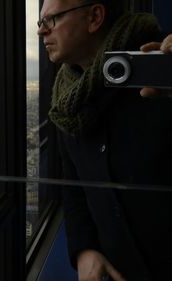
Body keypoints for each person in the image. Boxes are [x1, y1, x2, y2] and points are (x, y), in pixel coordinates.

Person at [37, 0, 172, 280]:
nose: (41, 32)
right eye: (40, 23)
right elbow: (73, 184)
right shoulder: (66, 99)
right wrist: (85, 248)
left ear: (95, 17)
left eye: (50, 20)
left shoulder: (160, 63)